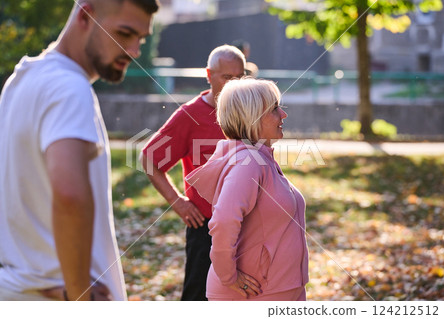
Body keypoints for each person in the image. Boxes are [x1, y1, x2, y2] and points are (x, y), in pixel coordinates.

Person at [0, 0, 159, 301]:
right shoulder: (69, 87)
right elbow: (70, 195)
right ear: (86, 15)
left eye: (141, 38)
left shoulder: (19, 81)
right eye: (124, 34)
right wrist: (80, 298)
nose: (135, 51)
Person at [185, 78, 309, 300]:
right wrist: (229, 277)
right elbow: (223, 220)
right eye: (274, 109)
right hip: (254, 294)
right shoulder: (249, 162)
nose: (283, 114)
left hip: (277, 290)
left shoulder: (261, 159)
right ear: (251, 117)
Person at [140, 45, 246, 300]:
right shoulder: (190, 115)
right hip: (206, 229)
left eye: (239, 78)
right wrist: (178, 203)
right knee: (198, 298)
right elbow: (148, 159)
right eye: (227, 77)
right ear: (208, 74)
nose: (234, 85)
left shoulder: (248, 112)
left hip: (246, 226)